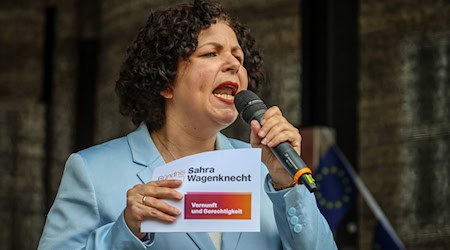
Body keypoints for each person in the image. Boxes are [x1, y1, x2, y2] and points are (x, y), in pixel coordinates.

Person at [38, 0, 337, 249]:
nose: (234, 64)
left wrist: (287, 185)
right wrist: (127, 230)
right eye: (210, 53)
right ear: (166, 80)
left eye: (238, 56)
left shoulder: (265, 169)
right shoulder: (92, 171)